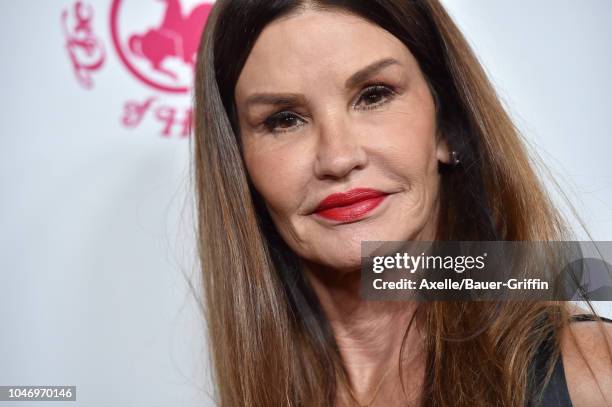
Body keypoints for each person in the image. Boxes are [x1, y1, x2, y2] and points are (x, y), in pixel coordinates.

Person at [191, 1, 612, 405]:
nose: (338, 157)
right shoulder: (264, 389)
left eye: (373, 95)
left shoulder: (593, 375)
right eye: (284, 119)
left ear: (447, 126)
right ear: (238, 162)